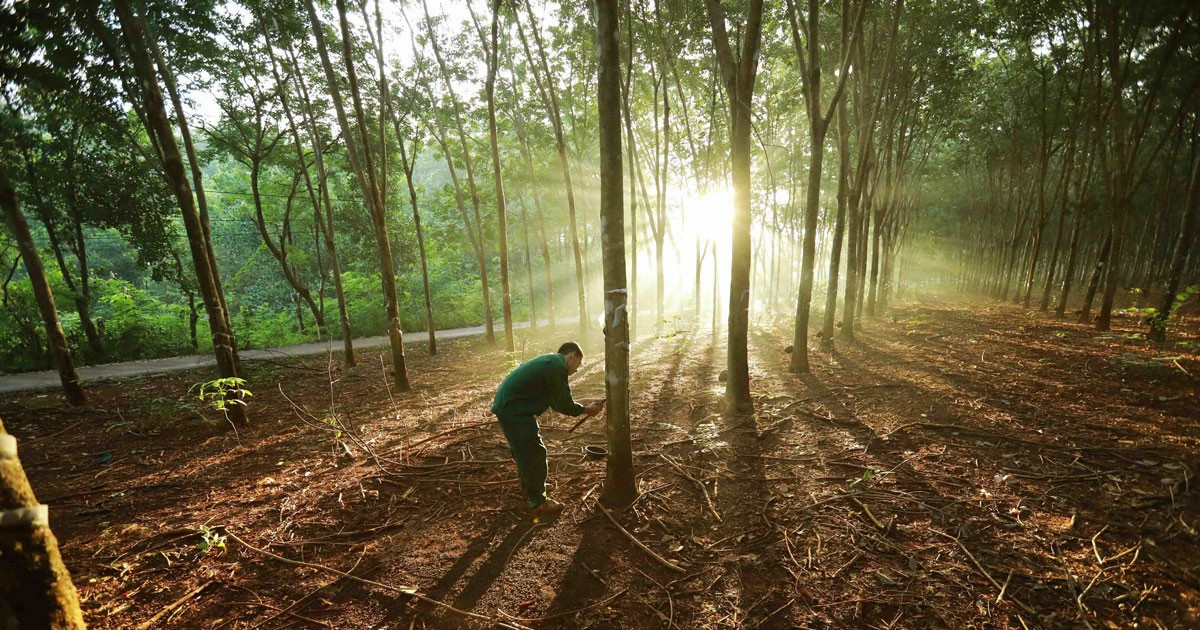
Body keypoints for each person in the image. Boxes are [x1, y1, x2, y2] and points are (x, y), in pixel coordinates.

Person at [491, 342, 604, 517]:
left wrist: (587, 403)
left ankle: (532, 488)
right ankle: (537, 503)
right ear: (572, 355)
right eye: (578, 364)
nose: (576, 370)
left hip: (509, 406)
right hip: (515, 410)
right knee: (534, 453)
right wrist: (587, 410)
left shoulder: (550, 363)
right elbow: (564, 405)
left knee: (523, 451)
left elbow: (558, 401)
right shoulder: (557, 366)